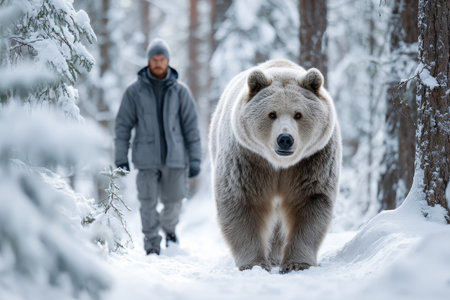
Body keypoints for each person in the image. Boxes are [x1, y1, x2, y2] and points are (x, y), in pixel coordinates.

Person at [114, 38, 201, 255]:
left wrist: (196, 159)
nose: (159, 63)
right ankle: (152, 244)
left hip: (176, 158)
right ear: (149, 61)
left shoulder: (181, 92)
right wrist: (120, 157)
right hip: (146, 158)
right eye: (155, 59)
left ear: (168, 61)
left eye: (162, 59)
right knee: (147, 203)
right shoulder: (134, 92)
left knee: (175, 203)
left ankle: (168, 229)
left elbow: (192, 128)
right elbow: (123, 126)